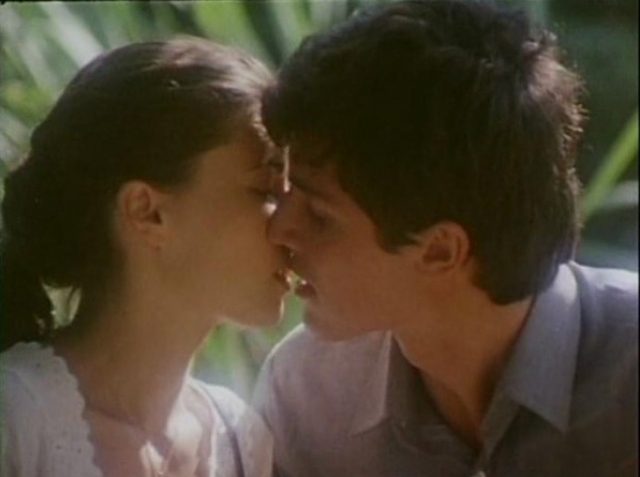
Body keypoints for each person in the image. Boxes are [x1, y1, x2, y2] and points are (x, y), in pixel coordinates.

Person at [253, 1, 639, 476]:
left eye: (319, 216)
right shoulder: (309, 396)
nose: (278, 228)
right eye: (283, 193)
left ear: (441, 250)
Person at [1, 37, 288, 477]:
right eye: (266, 191)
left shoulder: (240, 441)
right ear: (147, 211)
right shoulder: (16, 420)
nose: (291, 224)